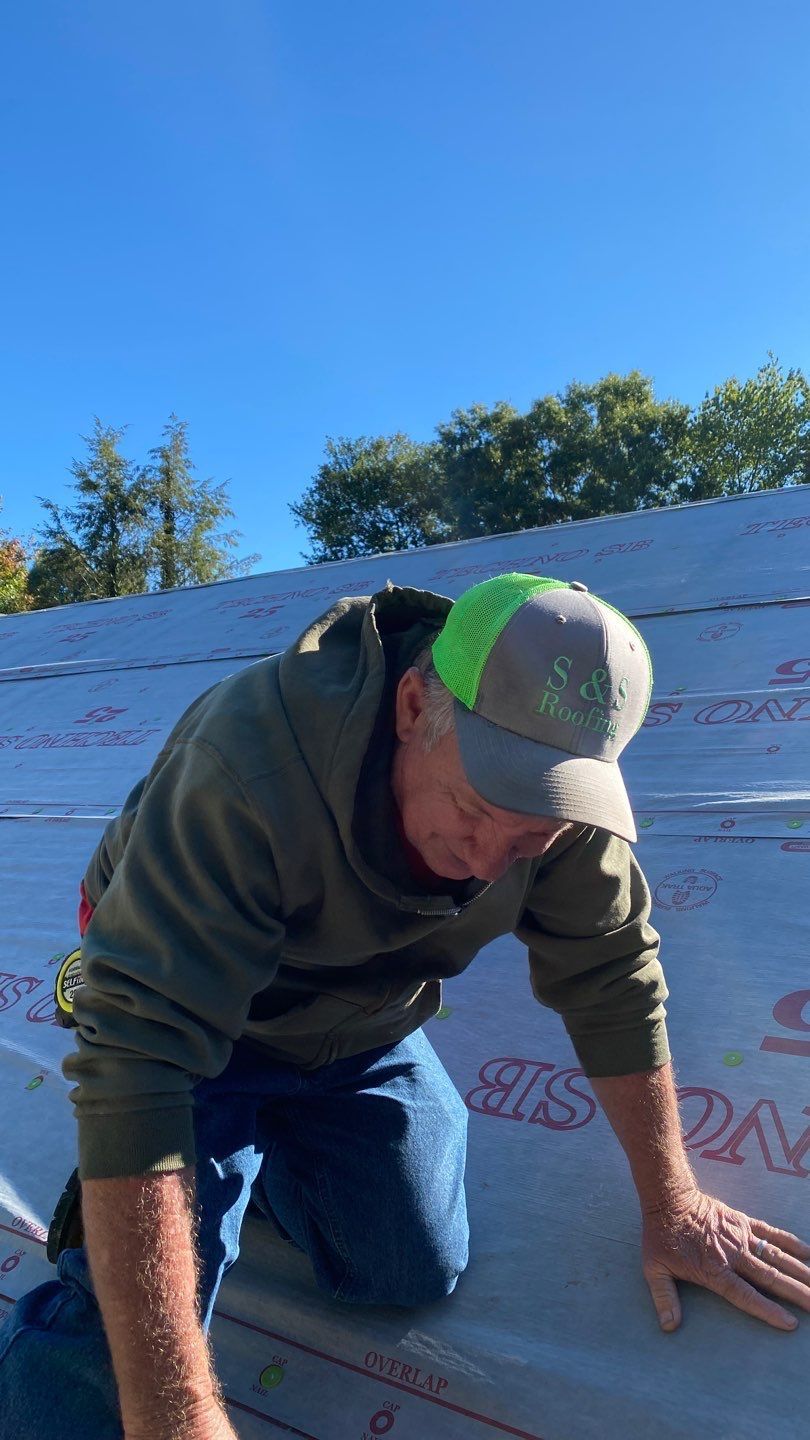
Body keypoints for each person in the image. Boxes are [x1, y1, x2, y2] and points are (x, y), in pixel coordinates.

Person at [0, 573, 807, 1440]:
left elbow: (613, 978)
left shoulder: (565, 812)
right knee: (110, 1364)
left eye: (538, 829)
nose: (496, 859)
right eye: (476, 803)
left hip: (361, 1022)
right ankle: (167, 1179)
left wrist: (673, 1200)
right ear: (415, 705)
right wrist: (175, 1412)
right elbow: (140, 1056)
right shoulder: (247, 769)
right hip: (200, 1017)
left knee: (406, 1265)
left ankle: (241, 1158)